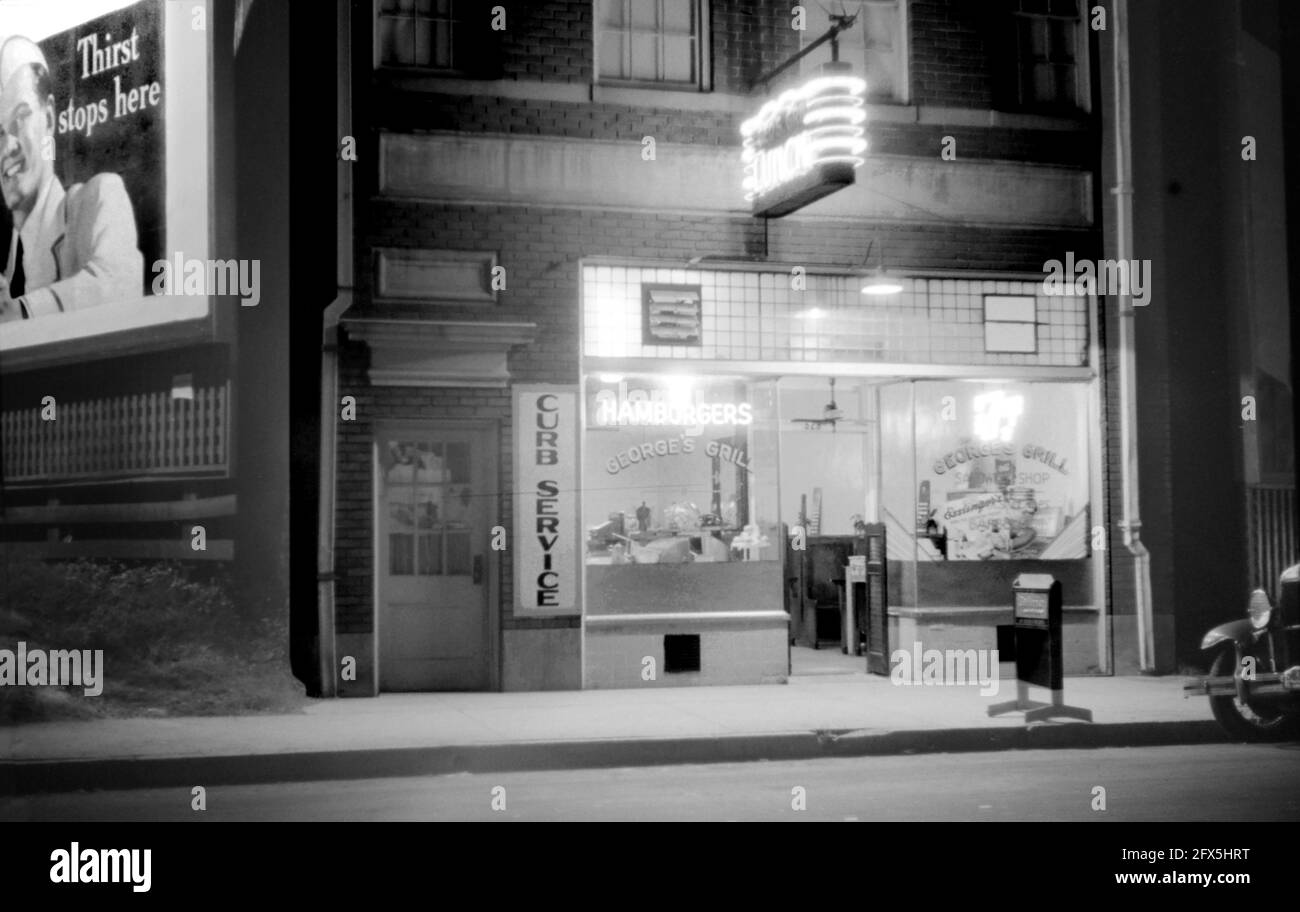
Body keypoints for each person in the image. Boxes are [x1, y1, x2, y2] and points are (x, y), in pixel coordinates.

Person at [0, 36, 143, 323]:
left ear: (50, 117)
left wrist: (21, 312)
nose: (8, 147)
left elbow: (119, 283)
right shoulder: (7, 272)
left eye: (20, 118)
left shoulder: (98, 197)